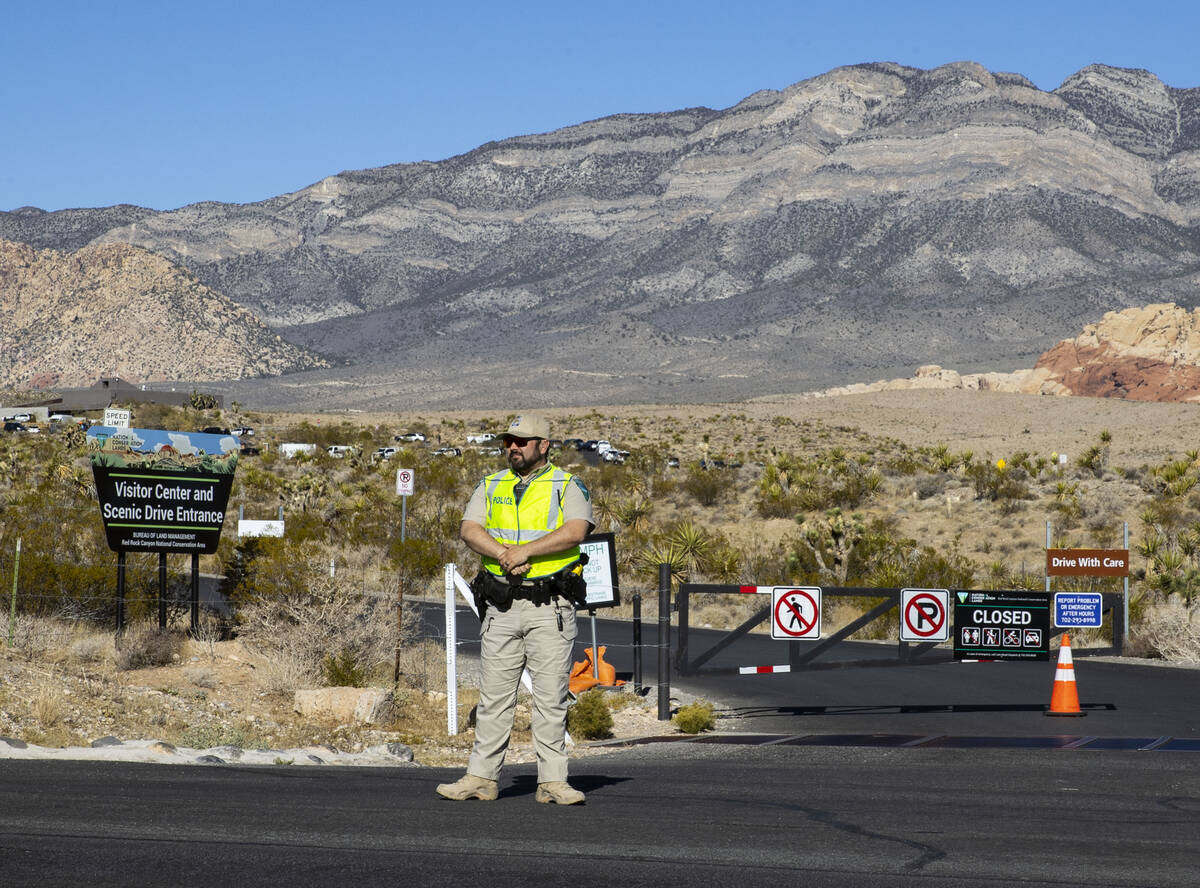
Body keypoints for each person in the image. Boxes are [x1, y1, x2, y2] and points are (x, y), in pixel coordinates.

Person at [436, 413, 594, 805]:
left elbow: (577, 530)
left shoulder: (567, 485)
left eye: (522, 441)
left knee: (550, 697)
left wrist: (527, 551)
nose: (513, 447)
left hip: (550, 606)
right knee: (494, 697)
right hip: (502, 605)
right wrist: (506, 555)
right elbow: (470, 529)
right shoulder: (491, 485)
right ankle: (480, 778)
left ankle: (553, 782)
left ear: (544, 445)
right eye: (509, 441)